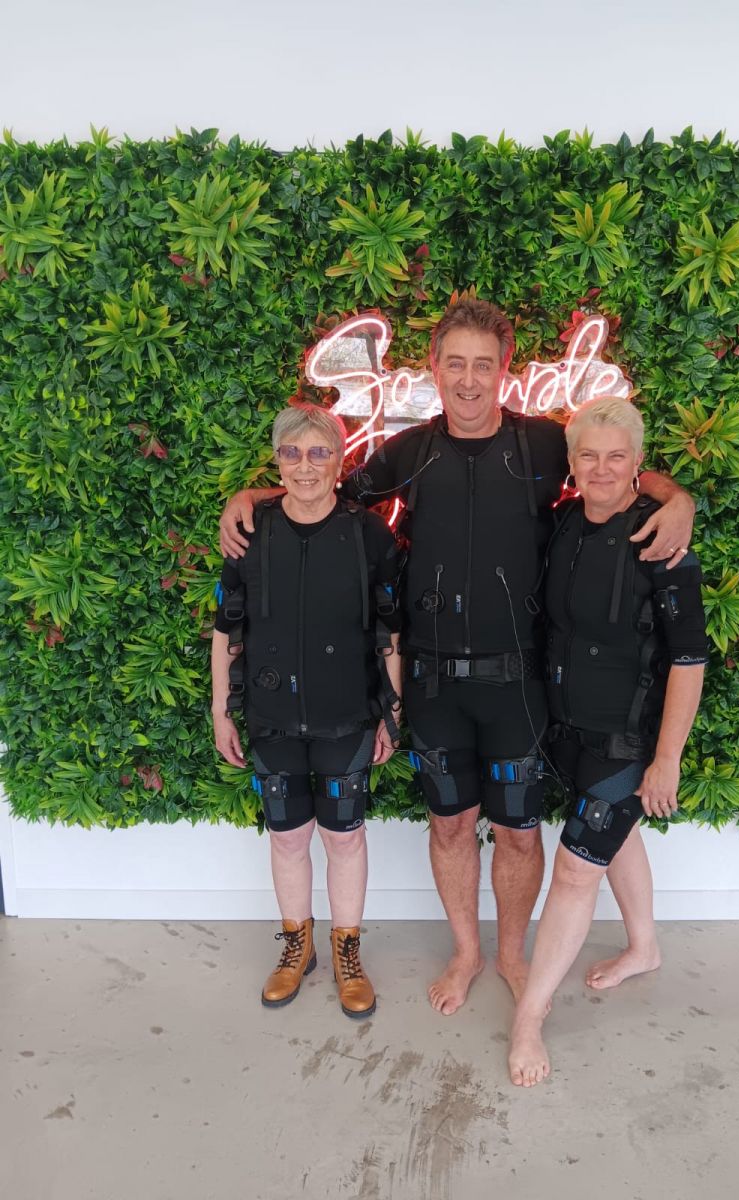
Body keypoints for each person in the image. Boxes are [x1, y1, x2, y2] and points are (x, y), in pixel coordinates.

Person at [219, 300, 696, 1016]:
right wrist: (250, 494)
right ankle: (467, 952)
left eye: (483, 365)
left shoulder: (544, 445)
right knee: (448, 826)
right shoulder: (408, 452)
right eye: (455, 364)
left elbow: (616, 470)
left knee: (518, 832)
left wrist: (676, 497)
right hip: (436, 685)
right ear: (435, 369)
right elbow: (322, 491)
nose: (469, 380)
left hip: (519, 684)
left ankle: (511, 954)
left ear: (504, 370)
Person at [507, 396, 708, 1086]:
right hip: (566, 729)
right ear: (571, 464)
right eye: (588, 455)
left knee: (574, 872)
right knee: (615, 841)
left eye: (616, 457)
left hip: (626, 742)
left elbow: (689, 660)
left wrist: (666, 760)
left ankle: (530, 1015)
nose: (601, 468)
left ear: (637, 464)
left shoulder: (662, 542)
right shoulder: (564, 523)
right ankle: (644, 947)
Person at [211, 404, 402, 1019]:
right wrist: (221, 711)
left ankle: (348, 951)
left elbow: (392, 632)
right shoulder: (250, 533)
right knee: (289, 838)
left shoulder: (368, 535)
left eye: (320, 452)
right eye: (291, 453)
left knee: (344, 839)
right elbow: (227, 629)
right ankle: (298, 946)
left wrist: (391, 713)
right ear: (277, 460)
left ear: (340, 460)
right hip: (271, 717)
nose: (305, 465)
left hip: (347, 716)